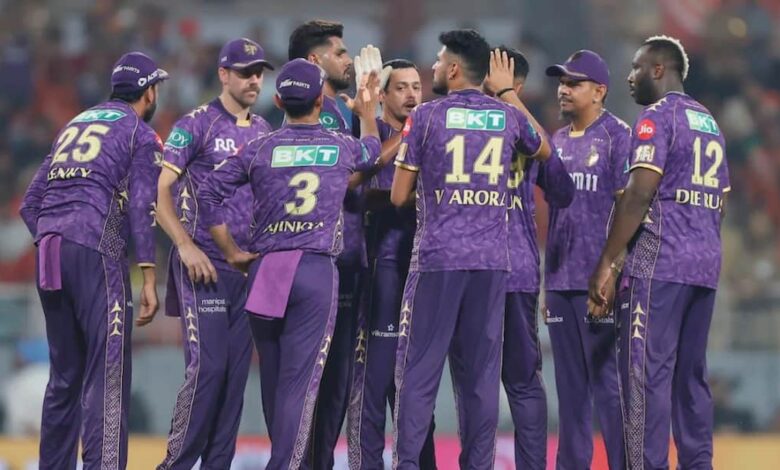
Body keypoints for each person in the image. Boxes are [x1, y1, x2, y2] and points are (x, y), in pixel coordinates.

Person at [199, 58, 386, 469]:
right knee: (299, 387)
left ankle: (283, 459)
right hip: (314, 271)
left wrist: (230, 251)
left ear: (280, 102)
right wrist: (368, 114)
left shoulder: (259, 148)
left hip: (266, 270)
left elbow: (207, 193)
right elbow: (373, 151)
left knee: (274, 382)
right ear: (320, 101)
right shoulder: (340, 147)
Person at [390, 31, 552, 468]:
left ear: (454, 69)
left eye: (438, 60)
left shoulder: (426, 116)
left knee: (418, 374)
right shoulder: (507, 116)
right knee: (482, 379)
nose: (433, 67)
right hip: (492, 263)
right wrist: (508, 93)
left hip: (437, 259)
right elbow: (544, 148)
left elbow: (399, 195)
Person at [588, 35, 730, 470]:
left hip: (660, 264)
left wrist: (607, 261)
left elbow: (638, 194)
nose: (629, 76)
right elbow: (721, 202)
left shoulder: (656, 117)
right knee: (692, 377)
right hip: (704, 264)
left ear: (658, 69)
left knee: (645, 377)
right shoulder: (710, 123)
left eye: (636, 67)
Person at [19, 51, 166, 469]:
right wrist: (148, 274)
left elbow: (30, 204)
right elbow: (142, 206)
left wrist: (57, 239)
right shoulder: (140, 134)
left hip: (50, 249)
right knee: (108, 372)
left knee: (64, 377)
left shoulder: (74, 124)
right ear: (149, 93)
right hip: (95, 249)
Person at [154, 38, 273, 470]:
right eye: (245, 72)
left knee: (235, 379)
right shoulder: (196, 124)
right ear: (223, 74)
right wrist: (184, 246)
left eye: (258, 73)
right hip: (204, 266)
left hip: (247, 271)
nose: (254, 80)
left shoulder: (264, 131)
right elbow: (159, 192)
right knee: (209, 370)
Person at [541, 49, 631, 469]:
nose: (563, 90)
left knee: (610, 388)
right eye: (561, 82)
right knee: (570, 390)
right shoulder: (556, 141)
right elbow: (558, 218)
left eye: (573, 83)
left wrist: (613, 271)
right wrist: (549, 283)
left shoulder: (617, 136)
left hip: (601, 284)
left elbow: (629, 211)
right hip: (562, 282)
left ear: (599, 91)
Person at [287, 20, 370, 468]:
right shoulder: (325, 114)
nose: (348, 58)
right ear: (314, 61)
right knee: (324, 382)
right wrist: (382, 125)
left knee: (332, 384)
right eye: (339, 52)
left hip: (340, 258)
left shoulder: (338, 110)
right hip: (328, 261)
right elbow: (348, 178)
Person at [486, 46, 574, 470]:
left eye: (492, 83)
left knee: (520, 381)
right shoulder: (457, 122)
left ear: (515, 86)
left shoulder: (530, 136)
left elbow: (562, 188)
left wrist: (509, 100)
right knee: (476, 383)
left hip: (513, 270)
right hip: (472, 269)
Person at [347, 59, 437, 469]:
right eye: (401, 87)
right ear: (382, 96)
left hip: (422, 269)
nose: (412, 95)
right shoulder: (368, 136)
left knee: (415, 391)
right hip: (379, 268)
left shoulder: (431, 134)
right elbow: (358, 193)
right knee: (372, 386)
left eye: (416, 86)